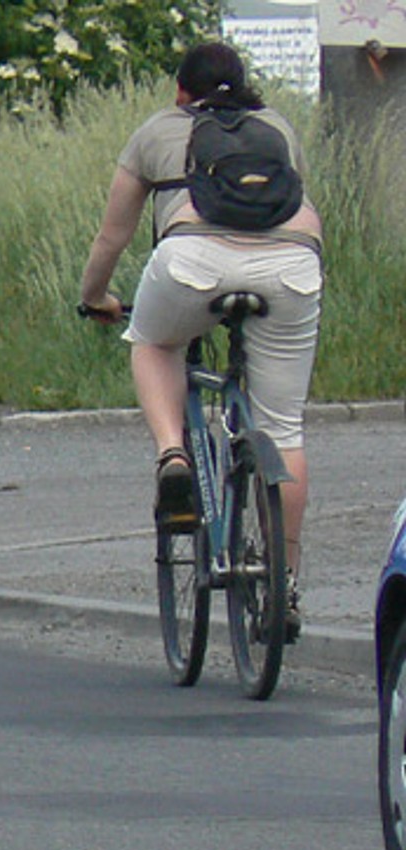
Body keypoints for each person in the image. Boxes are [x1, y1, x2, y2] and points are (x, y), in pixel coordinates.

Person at [79, 40, 322, 637]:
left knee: (155, 344)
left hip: (193, 262)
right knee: (283, 427)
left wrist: (95, 299)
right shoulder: (276, 128)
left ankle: (174, 455)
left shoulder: (157, 131)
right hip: (292, 265)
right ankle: (283, 587)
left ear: (180, 92)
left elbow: (112, 238)